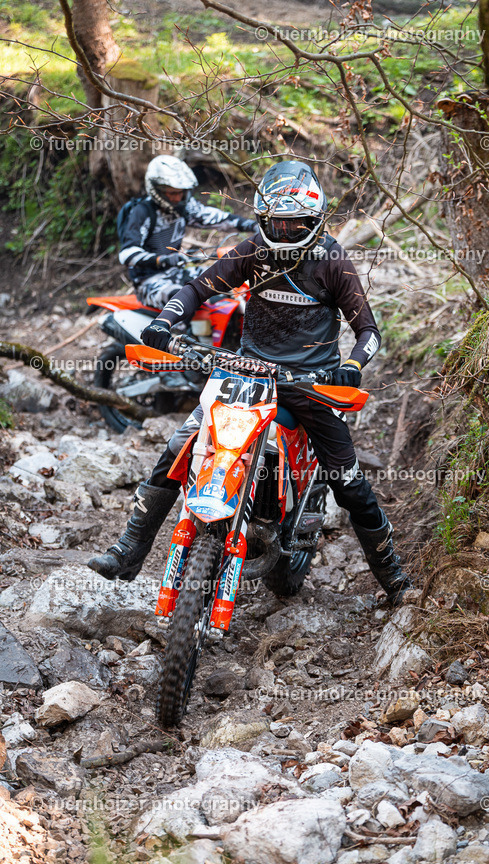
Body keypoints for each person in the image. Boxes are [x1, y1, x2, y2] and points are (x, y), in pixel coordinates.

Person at [89, 159, 412, 604]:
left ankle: (394, 580)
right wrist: (164, 320)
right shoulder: (254, 249)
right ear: (263, 219)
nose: (284, 230)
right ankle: (128, 550)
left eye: (294, 223)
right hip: (246, 373)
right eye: (276, 222)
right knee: (179, 447)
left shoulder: (332, 260)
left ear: (314, 220)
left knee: (349, 482)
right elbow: (199, 288)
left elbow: (368, 331)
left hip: (310, 383)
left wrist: (352, 367)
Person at [118, 154, 256, 308]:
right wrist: (160, 260)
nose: (178, 197)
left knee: (227, 277)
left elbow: (213, 218)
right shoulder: (142, 212)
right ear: (157, 190)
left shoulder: (182, 207)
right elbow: (127, 254)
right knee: (183, 300)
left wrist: (252, 225)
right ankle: (179, 324)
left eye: (181, 192)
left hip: (177, 272)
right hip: (150, 282)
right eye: (172, 193)